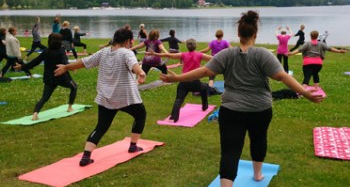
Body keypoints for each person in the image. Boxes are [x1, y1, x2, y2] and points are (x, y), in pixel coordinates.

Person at [159, 10, 324, 187]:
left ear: (238, 34)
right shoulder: (262, 54)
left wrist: (177, 78)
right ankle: (257, 174)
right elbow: (283, 77)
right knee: (259, 139)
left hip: (232, 110)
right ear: (255, 34)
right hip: (260, 110)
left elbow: (204, 71)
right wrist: (305, 93)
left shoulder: (226, 55)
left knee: (230, 151)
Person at [54, 28, 147, 166]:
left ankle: (86, 156)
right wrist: (140, 72)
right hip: (124, 98)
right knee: (141, 115)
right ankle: (133, 146)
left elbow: (84, 62)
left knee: (101, 127)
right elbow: (134, 65)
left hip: (106, 98)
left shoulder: (104, 52)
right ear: (128, 41)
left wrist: (66, 67)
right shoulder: (127, 53)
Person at [146, 38, 211, 122]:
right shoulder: (199, 55)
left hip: (183, 81)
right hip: (195, 82)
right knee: (204, 88)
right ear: (196, 46)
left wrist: (155, 53)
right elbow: (212, 58)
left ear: (187, 46)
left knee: (179, 99)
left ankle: (173, 117)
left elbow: (168, 55)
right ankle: (205, 107)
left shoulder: (183, 55)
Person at [14, 33, 77, 121]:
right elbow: (65, 61)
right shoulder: (61, 51)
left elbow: (35, 62)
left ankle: (35, 114)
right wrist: (71, 67)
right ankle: (70, 107)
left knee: (44, 98)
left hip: (49, 78)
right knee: (74, 87)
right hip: (62, 77)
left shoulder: (46, 51)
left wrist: (21, 67)